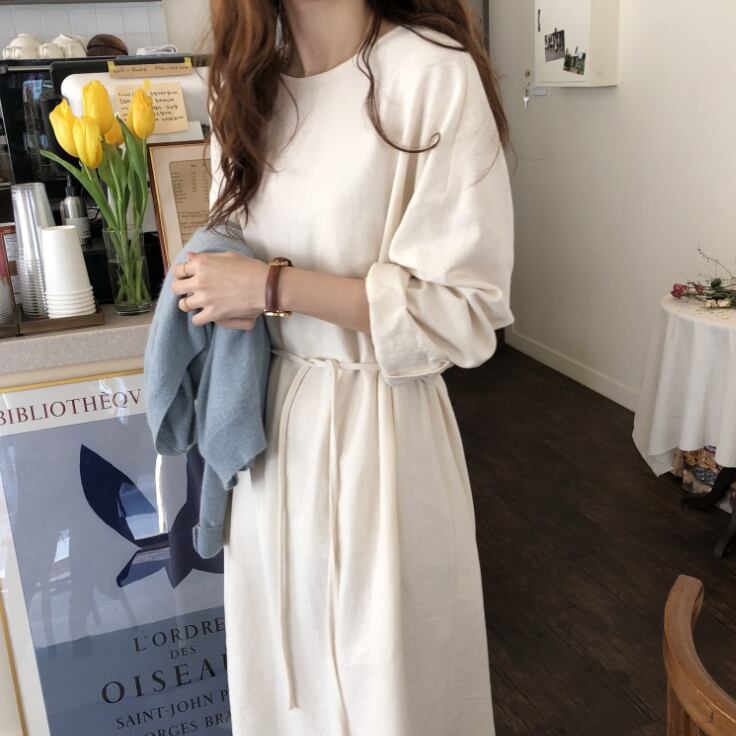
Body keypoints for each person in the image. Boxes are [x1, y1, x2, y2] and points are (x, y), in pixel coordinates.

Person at [169, 0, 514, 732]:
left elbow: (465, 311)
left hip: (382, 435)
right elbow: (230, 248)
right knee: (285, 689)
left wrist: (272, 288)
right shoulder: (243, 87)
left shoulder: (430, 72)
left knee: (392, 691)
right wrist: (212, 283)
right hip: (269, 440)